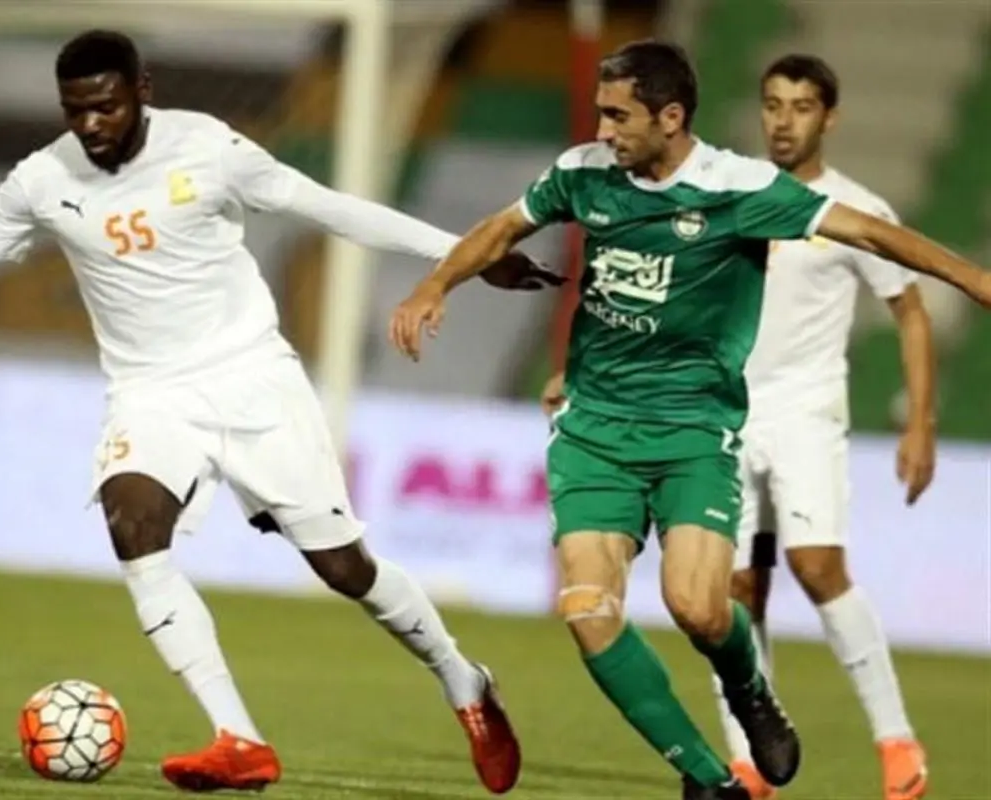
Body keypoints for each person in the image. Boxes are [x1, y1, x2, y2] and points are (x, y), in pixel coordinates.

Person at [0, 29, 553, 795]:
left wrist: (467, 256)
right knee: (133, 526)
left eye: (106, 107)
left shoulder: (208, 148)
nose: (91, 125)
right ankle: (238, 739)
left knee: (343, 567)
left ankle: (461, 677)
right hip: (150, 393)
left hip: (253, 379)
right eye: (75, 111)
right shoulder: (41, 179)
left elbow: (329, 207)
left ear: (143, 90)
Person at [389, 39, 990, 800]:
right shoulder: (584, 172)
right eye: (602, 113)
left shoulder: (740, 188)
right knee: (587, 610)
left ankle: (752, 689)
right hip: (594, 431)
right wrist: (436, 285)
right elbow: (503, 226)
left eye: (619, 116)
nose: (604, 130)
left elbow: (871, 232)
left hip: (694, 432)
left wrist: (972, 277)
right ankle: (709, 779)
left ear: (670, 118)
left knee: (699, 606)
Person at [709, 54, 934, 800]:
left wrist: (920, 423)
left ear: (828, 117)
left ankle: (896, 740)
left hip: (807, 411)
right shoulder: (732, 191)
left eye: (801, 106)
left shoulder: (854, 207)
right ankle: (749, 760)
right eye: (772, 104)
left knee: (816, 567)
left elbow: (909, 310)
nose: (783, 121)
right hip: (729, 414)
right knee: (735, 589)